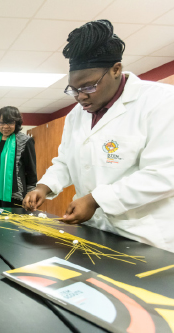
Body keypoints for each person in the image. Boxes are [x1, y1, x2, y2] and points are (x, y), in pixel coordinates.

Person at [23, 19, 174, 253]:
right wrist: (43, 186)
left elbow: (164, 174)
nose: (80, 97)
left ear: (116, 69)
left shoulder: (161, 101)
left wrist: (96, 200)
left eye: (88, 87)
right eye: (73, 89)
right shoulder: (76, 115)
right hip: (95, 231)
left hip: (145, 239)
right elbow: (66, 160)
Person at [0, 107, 37, 208]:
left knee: (10, 223)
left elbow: (31, 171)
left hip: (14, 195)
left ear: (16, 123)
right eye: (2, 123)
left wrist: (31, 194)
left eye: (10, 123)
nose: (5, 126)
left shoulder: (25, 141)